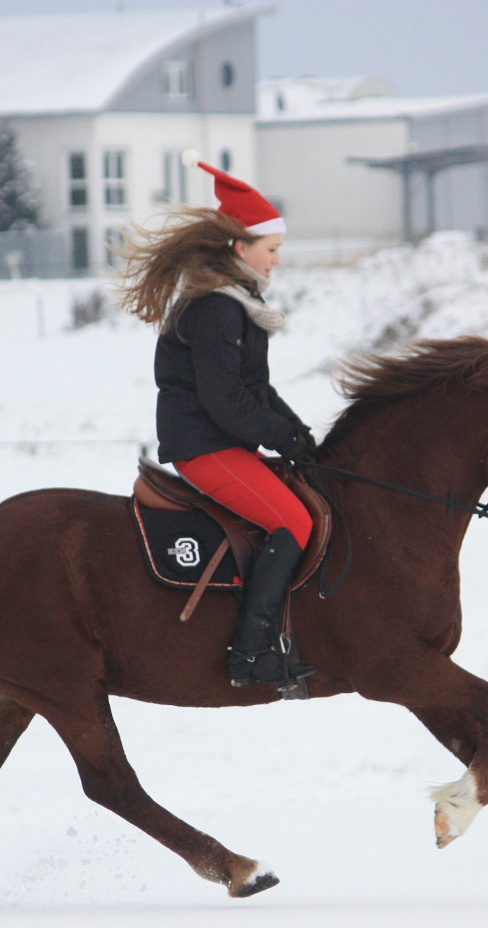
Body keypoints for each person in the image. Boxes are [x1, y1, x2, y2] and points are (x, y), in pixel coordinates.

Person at [119, 151, 316, 693]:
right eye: (271, 249)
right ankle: (250, 653)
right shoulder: (215, 308)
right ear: (240, 248)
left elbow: (257, 390)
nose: (277, 260)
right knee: (293, 524)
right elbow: (226, 401)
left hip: (225, 444)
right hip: (204, 448)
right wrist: (281, 436)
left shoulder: (238, 304)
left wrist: (299, 434)